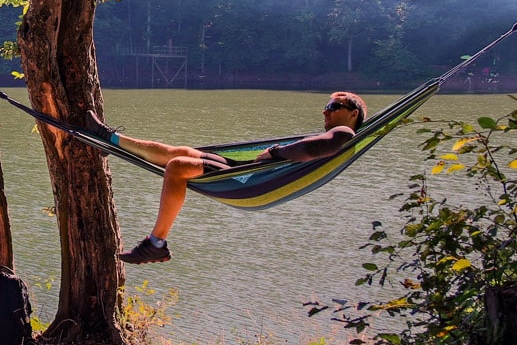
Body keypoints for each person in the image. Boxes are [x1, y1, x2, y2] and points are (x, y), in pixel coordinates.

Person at [84, 92, 368, 265]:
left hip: (252, 183)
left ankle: (156, 244)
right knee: (182, 152)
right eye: (327, 105)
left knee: (178, 166)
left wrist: (275, 151)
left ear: (353, 114)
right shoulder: (341, 134)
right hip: (250, 177)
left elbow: (315, 147)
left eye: (334, 106)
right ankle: (110, 137)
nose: (326, 111)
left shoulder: (344, 134)